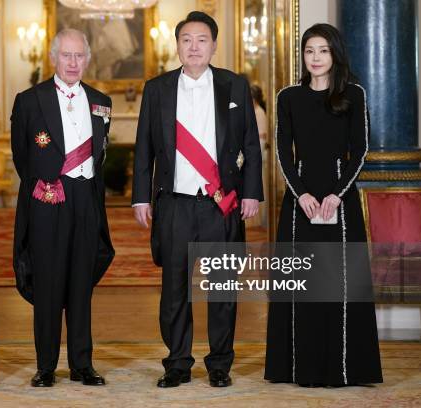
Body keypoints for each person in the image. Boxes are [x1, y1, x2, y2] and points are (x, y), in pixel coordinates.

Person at [132, 11, 263, 388]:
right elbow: (144, 149)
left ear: (214, 45)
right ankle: (177, 363)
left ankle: (220, 364)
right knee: (174, 289)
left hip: (220, 203)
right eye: (186, 40)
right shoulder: (156, 88)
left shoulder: (235, 86)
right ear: (177, 46)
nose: (194, 47)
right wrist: (142, 198)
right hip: (174, 203)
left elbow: (251, 145)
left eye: (201, 39)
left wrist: (252, 191)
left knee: (222, 288)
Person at [264, 23, 383, 386]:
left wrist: (336, 194)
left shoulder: (354, 94)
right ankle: (299, 368)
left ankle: (344, 368)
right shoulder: (288, 97)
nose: (315, 58)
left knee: (339, 285)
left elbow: (359, 151)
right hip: (300, 202)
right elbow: (283, 153)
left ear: (335, 54)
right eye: (309, 50)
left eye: (323, 50)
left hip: (339, 202)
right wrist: (300, 194)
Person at [11, 28, 115, 387]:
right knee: (49, 283)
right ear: (53, 57)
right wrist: (45, 185)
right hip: (48, 200)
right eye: (66, 56)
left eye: (79, 56)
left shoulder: (102, 101)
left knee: (81, 284)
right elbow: (22, 157)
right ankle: (45, 366)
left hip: (86, 198)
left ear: (87, 58)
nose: (73, 63)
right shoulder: (29, 100)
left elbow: (101, 156)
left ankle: (82, 364)